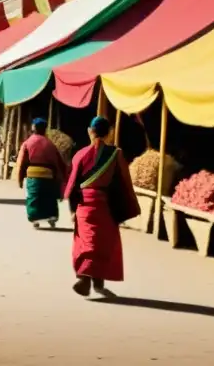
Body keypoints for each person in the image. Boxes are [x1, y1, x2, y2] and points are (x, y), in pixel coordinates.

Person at [64, 116, 140, 297]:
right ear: (109, 133)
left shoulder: (80, 155)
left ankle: (85, 279)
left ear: (90, 131)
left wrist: (73, 210)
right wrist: (126, 207)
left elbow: (73, 185)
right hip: (106, 205)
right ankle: (96, 282)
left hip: (84, 206)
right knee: (103, 244)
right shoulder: (116, 154)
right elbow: (125, 183)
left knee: (86, 243)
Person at [15, 118, 68, 228]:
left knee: (33, 197)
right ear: (45, 129)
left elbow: (21, 162)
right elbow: (60, 163)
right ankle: (52, 217)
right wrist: (63, 179)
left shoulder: (27, 143)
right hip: (49, 176)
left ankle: (34, 218)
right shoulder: (50, 144)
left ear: (33, 128)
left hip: (33, 176)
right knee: (50, 197)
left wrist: (19, 179)